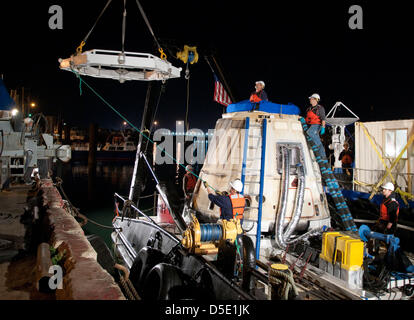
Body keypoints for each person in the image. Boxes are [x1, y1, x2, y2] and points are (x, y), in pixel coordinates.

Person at [305, 93, 327, 158]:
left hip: (317, 125)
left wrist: (323, 127)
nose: (310, 100)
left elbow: (323, 118)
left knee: (309, 132)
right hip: (311, 125)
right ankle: (322, 155)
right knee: (314, 136)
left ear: (315, 100)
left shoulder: (320, 108)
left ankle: (317, 145)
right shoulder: (309, 109)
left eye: (311, 99)